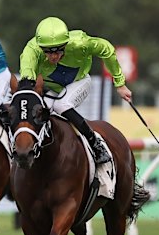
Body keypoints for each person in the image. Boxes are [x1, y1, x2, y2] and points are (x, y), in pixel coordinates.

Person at [19, 16, 132, 165]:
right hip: (51, 89)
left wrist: (120, 84)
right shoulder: (31, 51)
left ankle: (95, 143)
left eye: (59, 50)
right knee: (37, 110)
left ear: (66, 44)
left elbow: (107, 49)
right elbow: (27, 83)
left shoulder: (80, 43)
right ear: (40, 47)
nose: (53, 56)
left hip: (79, 82)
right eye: (47, 51)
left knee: (61, 106)